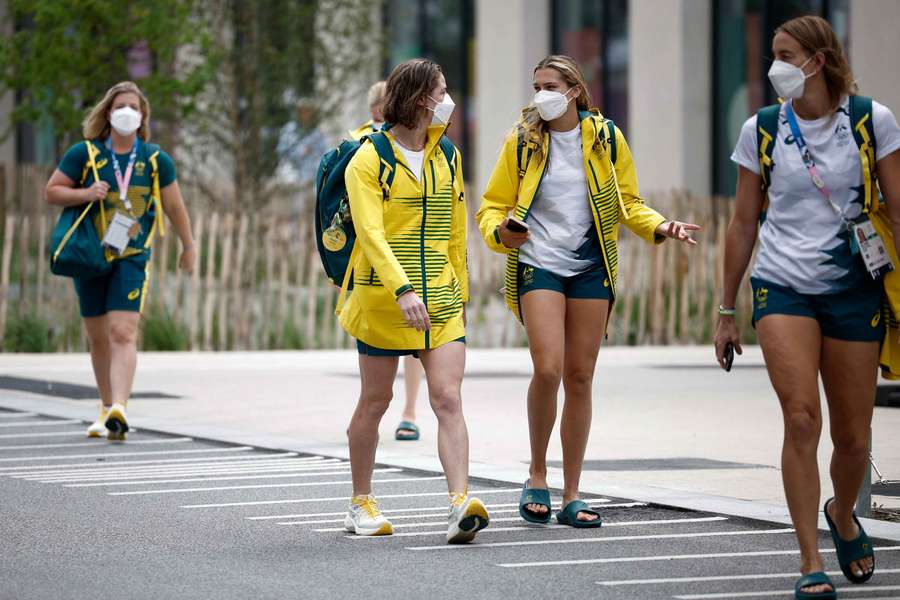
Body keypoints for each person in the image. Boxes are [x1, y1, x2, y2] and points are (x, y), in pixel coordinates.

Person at [714, 15, 900, 599]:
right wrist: (726, 308)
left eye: (786, 55)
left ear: (817, 61)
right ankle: (808, 561)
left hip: (854, 288)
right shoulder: (762, 129)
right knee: (800, 418)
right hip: (782, 287)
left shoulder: (872, 121)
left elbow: (897, 209)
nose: (776, 67)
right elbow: (744, 222)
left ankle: (843, 514)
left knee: (853, 436)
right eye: (774, 53)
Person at [477, 55, 699, 528]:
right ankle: (536, 472)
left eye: (551, 85)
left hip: (591, 266)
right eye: (536, 85)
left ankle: (572, 492)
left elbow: (627, 202)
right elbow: (491, 207)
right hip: (538, 263)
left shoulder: (605, 139)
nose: (541, 94)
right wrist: (502, 233)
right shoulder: (522, 143)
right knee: (549, 367)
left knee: (580, 376)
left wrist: (663, 226)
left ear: (574, 90)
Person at [339, 58, 489, 543]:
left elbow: (453, 233)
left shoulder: (448, 155)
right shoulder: (369, 158)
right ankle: (360, 502)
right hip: (383, 300)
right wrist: (401, 288)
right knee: (376, 401)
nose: (449, 98)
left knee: (447, 398)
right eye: (442, 90)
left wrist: (460, 295)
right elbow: (371, 233)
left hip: (441, 300)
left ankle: (459, 502)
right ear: (422, 97)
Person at [45, 81, 196, 441]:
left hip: (132, 257)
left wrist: (187, 244)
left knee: (123, 332)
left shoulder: (156, 160)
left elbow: (174, 205)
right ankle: (105, 405)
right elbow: (52, 191)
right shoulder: (85, 154)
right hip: (91, 257)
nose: (126, 112)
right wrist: (84, 192)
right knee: (97, 337)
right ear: (108, 113)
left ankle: (120, 408)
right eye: (120, 106)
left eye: (133, 106)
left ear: (143, 116)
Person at [349, 80, 425, 442]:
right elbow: (350, 215)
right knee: (375, 352)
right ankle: (371, 411)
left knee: (416, 338)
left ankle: (410, 410)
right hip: (371, 265)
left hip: (414, 260)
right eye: (378, 113)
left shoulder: (429, 145)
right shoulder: (360, 146)